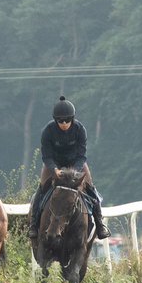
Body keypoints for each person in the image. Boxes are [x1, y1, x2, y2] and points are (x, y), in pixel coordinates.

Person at [26, 96, 110, 240]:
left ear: (72, 119)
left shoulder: (80, 129)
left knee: (90, 188)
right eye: (60, 121)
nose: (64, 124)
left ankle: (100, 223)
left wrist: (76, 171)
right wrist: (54, 170)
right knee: (41, 189)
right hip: (54, 164)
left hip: (76, 164)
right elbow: (46, 156)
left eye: (67, 120)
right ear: (55, 120)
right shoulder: (47, 131)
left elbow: (82, 155)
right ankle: (33, 225)